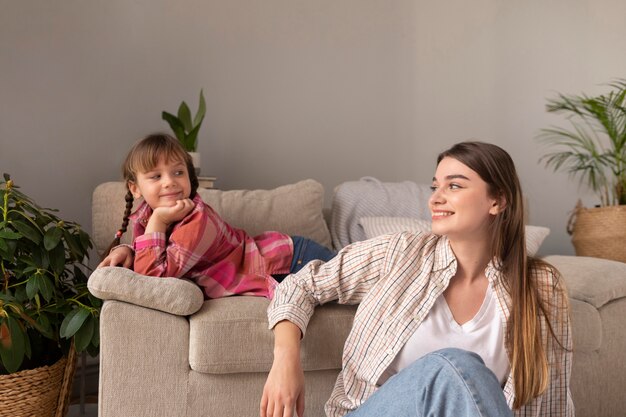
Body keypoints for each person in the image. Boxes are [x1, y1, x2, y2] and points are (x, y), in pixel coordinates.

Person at [260, 141, 573, 417]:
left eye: (454, 186)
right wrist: (285, 361)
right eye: (434, 186)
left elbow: (551, 402)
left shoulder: (542, 287)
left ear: (498, 201)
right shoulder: (400, 252)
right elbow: (303, 283)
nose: (435, 198)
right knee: (452, 367)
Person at [98, 133, 335, 299]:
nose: (170, 182)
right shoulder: (148, 216)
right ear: (134, 188)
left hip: (291, 262)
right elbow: (153, 256)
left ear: (189, 178)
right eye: (156, 176)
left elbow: (153, 278)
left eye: (177, 172)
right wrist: (128, 249)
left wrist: (158, 221)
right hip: (288, 261)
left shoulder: (198, 220)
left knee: (366, 284)